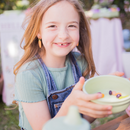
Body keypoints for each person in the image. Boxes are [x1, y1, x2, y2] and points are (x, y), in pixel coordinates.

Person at [14, 0, 130, 130]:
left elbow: (83, 119)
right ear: (38, 31)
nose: (63, 35)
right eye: (52, 26)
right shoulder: (28, 75)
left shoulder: (80, 62)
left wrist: (102, 97)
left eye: (71, 26)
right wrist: (70, 103)